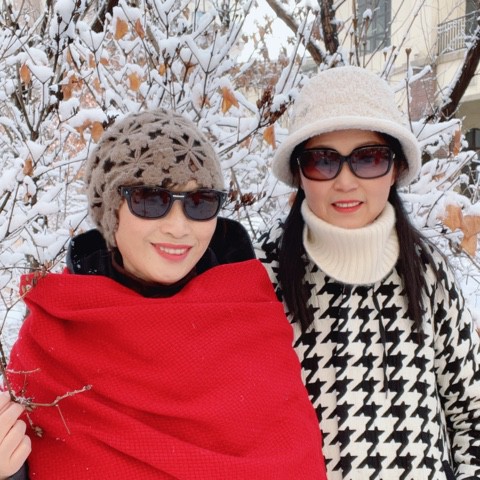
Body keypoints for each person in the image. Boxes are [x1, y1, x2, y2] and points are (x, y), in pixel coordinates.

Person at [1, 109, 326, 480]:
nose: (178, 227)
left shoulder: (252, 316)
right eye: (150, 199)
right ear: (111, 211)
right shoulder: (53, 335)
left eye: (200, 202)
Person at [256, 66, 480, 480]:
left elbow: (473, 413)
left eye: (369, 158)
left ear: (395, 169)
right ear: (300, 174)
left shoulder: (426, 272)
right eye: (323, 161)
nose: (345, 182)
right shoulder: (260, 278)